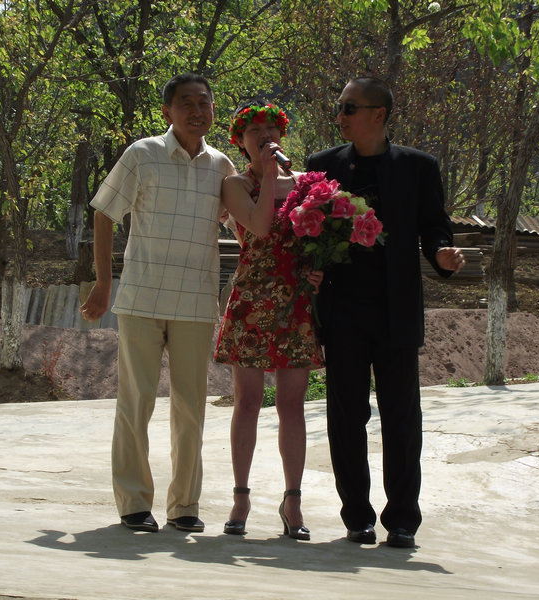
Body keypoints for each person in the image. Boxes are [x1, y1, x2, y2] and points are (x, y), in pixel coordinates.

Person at [306, 77, 464, 548]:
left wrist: (442, 254)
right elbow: (307, 232)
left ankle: (402, 520)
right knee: (345, 418)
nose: (341, 116)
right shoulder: (323, 166)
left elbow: (434, 227)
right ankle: (357, 516)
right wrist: (310, 267)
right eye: (339, 106)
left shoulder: (418, 167)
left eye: (349, 107)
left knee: (402, 419)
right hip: (342, 311)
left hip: (396, 310)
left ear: (379, 114)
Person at [80, 73, 235, 534]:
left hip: (195, 303)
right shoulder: (143, 154)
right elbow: (104, 211)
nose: (197, 111)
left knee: (191, 409)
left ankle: (185, 505)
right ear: (167, 111)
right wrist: (104, 281)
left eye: (204, 102)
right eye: (186, 103)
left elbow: (244, 221)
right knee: (136, 402)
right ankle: (133, 502)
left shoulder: (221, 166)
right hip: (142, 299)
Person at [214, 102, 324, 540]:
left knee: (292, 405)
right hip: (252, 300)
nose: (265, 135)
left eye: (272, 129)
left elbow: (321, 240)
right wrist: (270, 175)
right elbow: (260, 227)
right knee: (247, 402)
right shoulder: (235, 185)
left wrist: (319, 269)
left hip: (295, 302)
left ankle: (292, 501)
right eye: (254, 130)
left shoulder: (306, 185)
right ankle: (241, 497)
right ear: (240, 142)